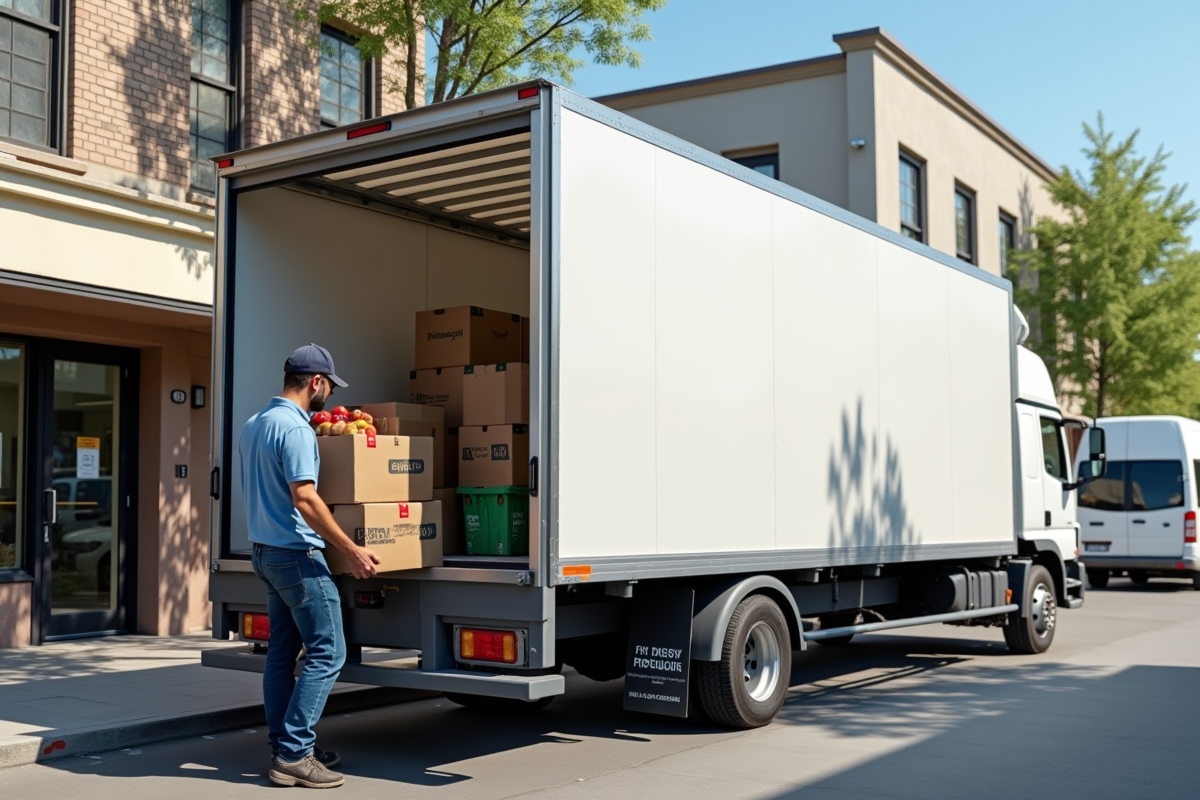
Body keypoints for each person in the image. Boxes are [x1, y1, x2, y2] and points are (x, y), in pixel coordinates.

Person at [239, 343, 380, 789]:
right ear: (316, 382)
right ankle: (296, 754)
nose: (328, 395)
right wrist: (351, 548)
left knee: (281, 655)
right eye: (328, 386)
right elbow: (304, 498)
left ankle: (284, 746)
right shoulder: (297, 430)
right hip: (296, 556)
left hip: (264, 552)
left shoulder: (254, 424)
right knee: (328, 651)